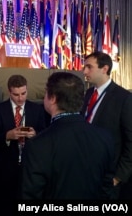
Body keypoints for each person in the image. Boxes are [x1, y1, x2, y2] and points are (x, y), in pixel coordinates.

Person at [19, 72, 115, 200]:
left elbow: (30, 197)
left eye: (46, 92)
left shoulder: (37, 145)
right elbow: (107, 189)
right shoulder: (105, 138)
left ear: (52, 99)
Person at [0, 74, 46, 215]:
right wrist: (7, 136)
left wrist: (35, 135)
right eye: (16, 94)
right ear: (9, 92)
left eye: (23, 93)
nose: (20, 98)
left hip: (30, 167)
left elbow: (46, 134)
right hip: (5, 168)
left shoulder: (37, 109)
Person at [82, 51, 132, 199]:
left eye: (89, 67)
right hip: (85, 172)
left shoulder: (124, 98)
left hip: (108, 178)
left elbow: (130, 141)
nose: (84, 71)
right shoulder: (88, 93)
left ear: (104, 69)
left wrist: (118, 177)